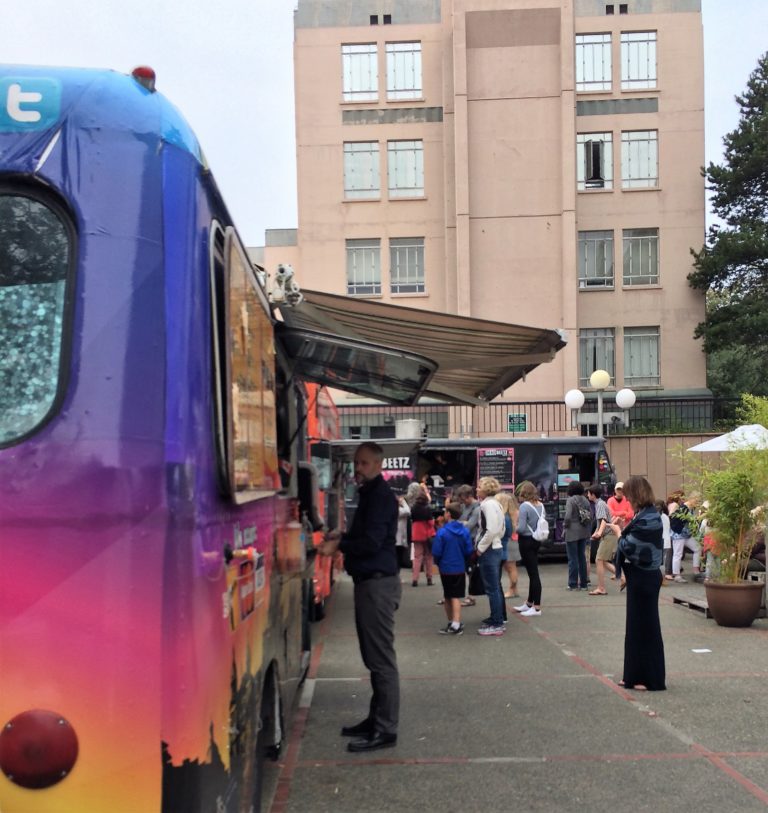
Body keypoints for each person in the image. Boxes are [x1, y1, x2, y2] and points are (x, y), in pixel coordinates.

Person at [320, 442, 401, 752]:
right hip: (371, 583)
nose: (358, 469)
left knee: (381, 660)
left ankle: (385, 730)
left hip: (378, 585)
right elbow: (363, 537)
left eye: (364, 463)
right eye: (356, 463)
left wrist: (339, 547)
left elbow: (371, 542)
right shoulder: (370, 494)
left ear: (378, 465)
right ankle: (375, 719)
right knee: (373, 657)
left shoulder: (379, 496)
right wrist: (341, 537)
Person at [614, 475, 666, 691]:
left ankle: (650, 679)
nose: (626, 499)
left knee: (646, 628)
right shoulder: (645, 515)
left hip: (645, 577)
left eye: (628, 495)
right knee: (635, 628)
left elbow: (632, 547)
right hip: (640, 577)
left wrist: (618, 533)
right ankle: (633, 676)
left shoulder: (650, 518)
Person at [432, 502, 474, 635]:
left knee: (449, 596)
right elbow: (469, 550)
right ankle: (454, 622)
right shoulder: (464, 531)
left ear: (448, 514)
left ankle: (454, 623)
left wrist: (438, 562)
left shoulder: (442, 532)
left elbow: (437, 551)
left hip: (446, 567)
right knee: (455, 595)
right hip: (460, 567)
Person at [474, 477, 507, 635]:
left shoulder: (487, 505)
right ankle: (497, 617)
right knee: (495, 587)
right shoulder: (497, 503)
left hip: (489, 550)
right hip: (496, 547)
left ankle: (497, 623)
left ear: (486, 489)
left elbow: (491, 529)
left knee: (492, 588)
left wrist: (480, 548)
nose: (477, 489)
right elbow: (501, 529)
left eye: (479, 486)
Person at [513, 480, 544, 617]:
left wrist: (514, 525)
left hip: (526, 540)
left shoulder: (524, 506)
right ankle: (529, 603)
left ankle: (536, 607)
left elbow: (520, 528)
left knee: (533, 573)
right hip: (537, 540)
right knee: (533, 572)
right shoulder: (541, 505)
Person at [586, 484, 619, 595]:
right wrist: (596, 533)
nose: (587, 495)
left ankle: (601, 588)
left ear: (593, 495)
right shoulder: (600, 503)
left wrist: (599, 533)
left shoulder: (599, 504)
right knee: (603, 561)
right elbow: (600, 522)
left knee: (599, 560)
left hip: (608, 535)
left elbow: (604, 520)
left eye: (589, 493)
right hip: (609, 535)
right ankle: (624, 577)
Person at [563, 481, 592, 591]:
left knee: (572, 559)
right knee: (582, 558)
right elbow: (590, 515)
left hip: (571, 532)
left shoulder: (570, 500)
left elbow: (568, 516)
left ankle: (573, 583)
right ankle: (584, 583)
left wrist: (565, 526)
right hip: (583, 531)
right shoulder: (585, 500)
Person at [456, 483, 481, 607]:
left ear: (470, 496)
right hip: (463, 540)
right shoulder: (464, 506)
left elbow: (469, 525)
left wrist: (459, 523)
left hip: (471, 541)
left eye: (463, 498)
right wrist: (462, 522)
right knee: (465, 569)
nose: (462, 501)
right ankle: (463, 595)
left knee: (470, 569)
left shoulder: (477, 508)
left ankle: (470, 596)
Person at [669, 494, 702, 583]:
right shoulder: (684, 508)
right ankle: (677, 575)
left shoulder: (690, 508)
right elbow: (677, 521)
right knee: (678, 553)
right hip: (679, 534)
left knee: (697, 548)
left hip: (686, 534)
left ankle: (696, 569)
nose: (697, 504)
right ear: (692, 499)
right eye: (697, 501)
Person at [495, 490, 520, 599]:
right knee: (511, 567)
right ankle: (514, 589)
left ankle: (511, 590)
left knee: (510, 568)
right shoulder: (516, 512)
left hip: (509, 541)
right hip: (514, 540)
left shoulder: (506, 515)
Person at [410, 487, 435, 587]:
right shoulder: (427, 508)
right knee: (428, 557)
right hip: (427, 534)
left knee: (417, 557)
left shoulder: (413, 508)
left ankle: (415, 579)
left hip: (416, 533)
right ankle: (429, 578)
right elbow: (430, 523)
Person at [395, 495, 411, 570]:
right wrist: (403, 501)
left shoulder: (399, 509)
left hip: (399, 539)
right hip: (398, 540)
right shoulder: (398, 510)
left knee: (398, 559)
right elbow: (408, 511)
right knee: (398, 559)